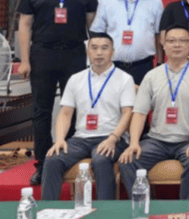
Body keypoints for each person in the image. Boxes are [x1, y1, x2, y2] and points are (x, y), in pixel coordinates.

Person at [17, 0, 99, 185]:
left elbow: (92, 22)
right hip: (42, 53)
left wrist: (95, 54)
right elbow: (25, 24)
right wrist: (25, 60)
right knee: (41, 111)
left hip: (74, 53)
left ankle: (69, 159)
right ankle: (43, 163)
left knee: (74, 107)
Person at [119, 25, 189, 200]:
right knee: (128, 161)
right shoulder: (152, 76)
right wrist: (133, 143)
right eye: (171, 41)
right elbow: (140, 114)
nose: (177, 45)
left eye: (182, 41)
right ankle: (144, 207)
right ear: (163, 45)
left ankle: (187, 209)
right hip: (157, 140)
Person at [41, 32, 134, 200]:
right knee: (53, 159)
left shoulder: (124, 79)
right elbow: (65, 113)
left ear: (112, 52)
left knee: (101, 160)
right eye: (94, 48)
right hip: (81, 139)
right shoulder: (76, 79)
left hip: (111, 136)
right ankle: (48, 209)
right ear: (87, 51)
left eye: (104, 48)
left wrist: (113, 138)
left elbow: (128, 114)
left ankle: (106, 211)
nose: (99, 53)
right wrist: (60, 139)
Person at [90, 0, 164, 85]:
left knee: (141, 98)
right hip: (112, 66)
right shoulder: (107, 2)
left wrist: (160, 62)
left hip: (144, 66)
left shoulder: (155, 2)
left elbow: (159, 35)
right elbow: (97, 35)